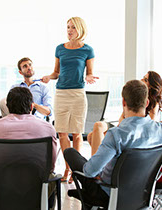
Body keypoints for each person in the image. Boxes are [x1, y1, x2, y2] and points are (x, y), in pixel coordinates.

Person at [63, 80, 162, 208]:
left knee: (70, 152)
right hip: (143, 192)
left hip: (110, 193)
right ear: (146, 103)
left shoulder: (116, 135)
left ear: (123, 102)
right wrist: (150, 171)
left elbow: (90, 172)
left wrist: (98, 173)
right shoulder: (160, 129)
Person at [41, 17, 98, 183]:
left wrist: (89, 77)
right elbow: (56, 73)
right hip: (61, 94)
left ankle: (76, 170)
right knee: (62, 133)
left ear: (80, 29)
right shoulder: (60, 49)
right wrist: (48, 77)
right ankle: (67, 168)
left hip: (78, 94)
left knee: (77, 133)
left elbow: (89, 72)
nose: (69, 30)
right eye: (67, 27)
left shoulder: (88, 50)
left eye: (73, 27)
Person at [0, 87, 57, 204]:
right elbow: (51, 166)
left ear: (7, 106)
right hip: (37, 190)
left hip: (0, 189)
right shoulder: (47, 128)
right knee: (52, 177)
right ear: (32, 106)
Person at [87, 71, 162, 156]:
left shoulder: (154, 104)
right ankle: (101, 163)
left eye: (145, 80)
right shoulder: (136, 95)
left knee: (92, 136)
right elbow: (122, 117)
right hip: (122, 125)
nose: (141, 79)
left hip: (131, 130)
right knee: (96, 128)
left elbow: (150, 123)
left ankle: (98, 164)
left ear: (151, 86)